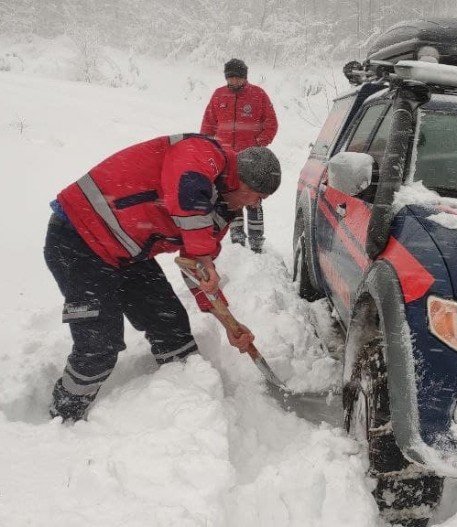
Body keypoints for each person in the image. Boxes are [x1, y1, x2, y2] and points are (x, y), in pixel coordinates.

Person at [45, 133, 281, 422]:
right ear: (244, 182)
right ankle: (63, 416)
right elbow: (187, 192)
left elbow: (197, 269)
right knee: (99, 347)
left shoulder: (222, 211)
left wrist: (228, 323)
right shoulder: (204, 153)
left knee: (171, 325)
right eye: (258, 198)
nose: (254, 206)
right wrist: (203, 255)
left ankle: (188, 408)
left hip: (126, 256)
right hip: (78, 238)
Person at [200, 58, 278, 253]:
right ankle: (237, 238)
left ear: (245, 77)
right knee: (232, 197)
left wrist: (258, 145)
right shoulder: (218, 95)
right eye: (231, 78)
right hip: (226, 159)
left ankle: (256, 240)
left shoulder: (258, 95)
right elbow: (208, 126)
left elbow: (271, 124)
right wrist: (208, 148)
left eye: (238, 78)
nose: (234, 81)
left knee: (253, 198)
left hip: (252, 160)